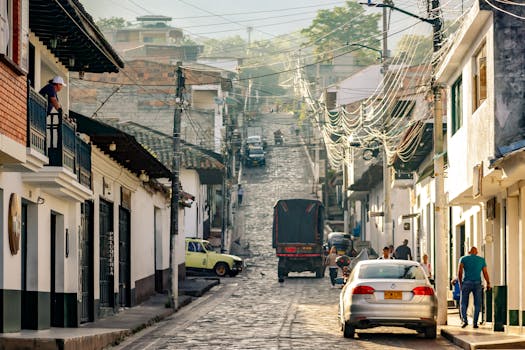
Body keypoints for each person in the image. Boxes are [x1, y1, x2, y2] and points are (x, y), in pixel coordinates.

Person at [458, 246, 491, 329]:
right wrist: (488, 283)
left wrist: (460, 284)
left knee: (463, 303)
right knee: (477, 304)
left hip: (466, 282)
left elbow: (460, 272)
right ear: (476, 252)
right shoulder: (481, 260)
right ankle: (475, 323)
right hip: (477, 283)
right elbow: (485, 273)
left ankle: (464, 321)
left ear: (469, 252)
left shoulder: (463, 259)